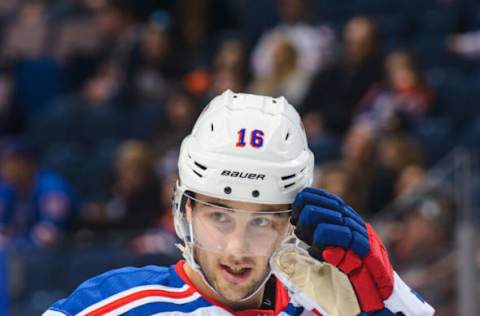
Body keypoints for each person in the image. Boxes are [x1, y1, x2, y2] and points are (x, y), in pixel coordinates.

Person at [44, 90, 434, 315]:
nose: (237, 249)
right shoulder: (113, 307)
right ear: (186, 212)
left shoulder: (327, 308)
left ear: (292, 225)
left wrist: (390, 297)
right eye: (220, 216)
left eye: (262, 222)